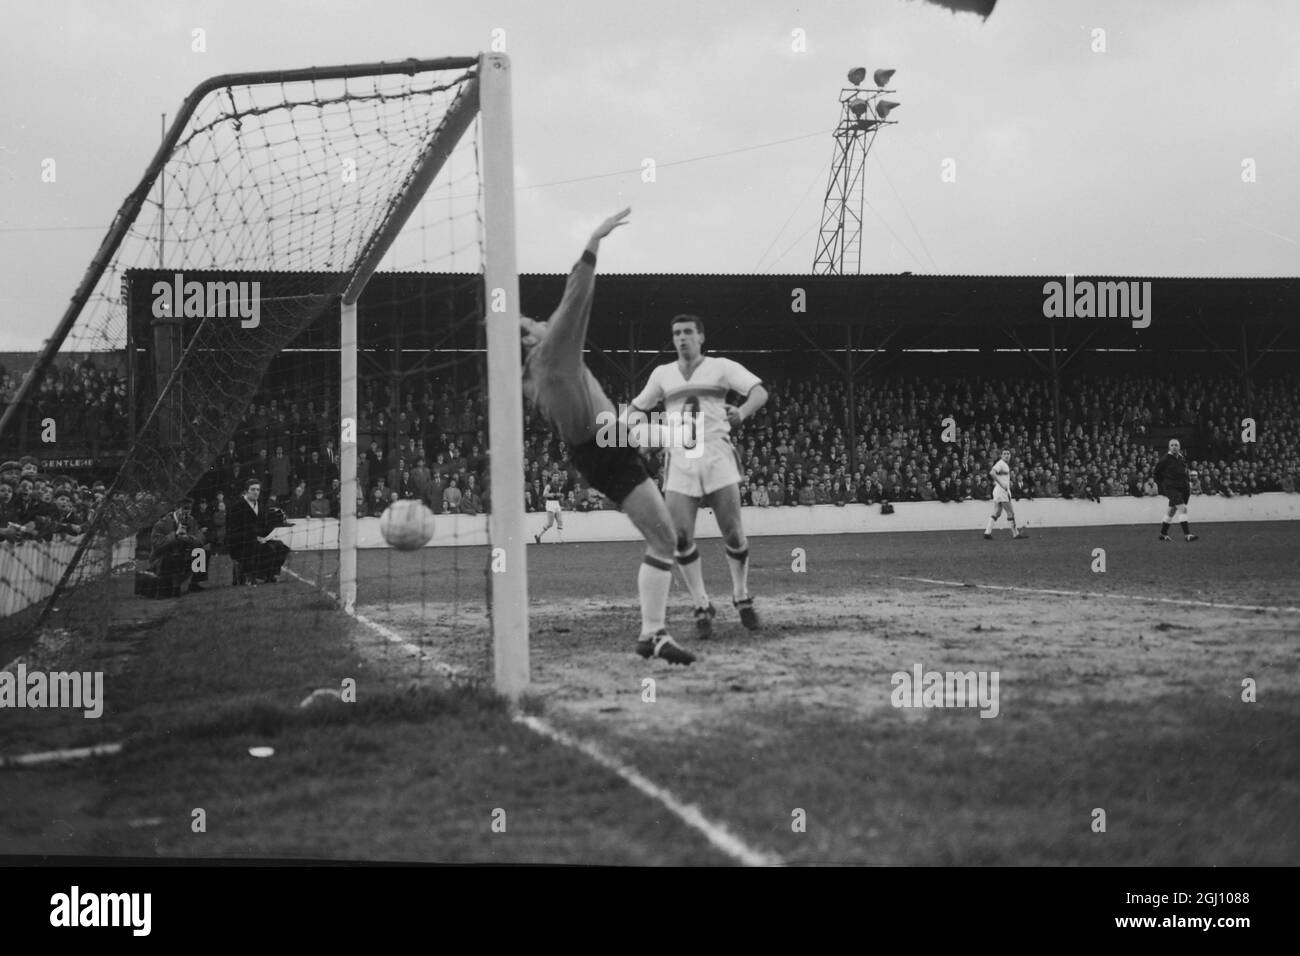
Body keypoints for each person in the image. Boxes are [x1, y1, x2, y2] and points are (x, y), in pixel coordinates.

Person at [520, 207, 693, 664]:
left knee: (667, 531)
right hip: (606, 447)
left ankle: (653, 633)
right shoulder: (553, 353)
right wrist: (593, 242)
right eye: (534, 328)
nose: (542, 323)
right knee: (665, 539)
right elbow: (575, 299)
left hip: (609, 440)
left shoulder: (540, 372)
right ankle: (652, 634)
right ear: (536, 341)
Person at [629, 312, 769, 638]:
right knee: (679, 536)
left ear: (700, 337)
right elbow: (637, 409)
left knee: (733, 532)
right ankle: (701, 603)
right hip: (680, 457)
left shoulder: (721, 367)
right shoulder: (662, 374)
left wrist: (742, 413)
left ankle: (741, 595)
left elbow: (759, 392)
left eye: (688, 332)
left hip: (717, 454)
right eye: (676, 332)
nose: (681, 338)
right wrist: (633, 429)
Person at [226, 477, 291, 583]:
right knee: (267, 549)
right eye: (253, 489)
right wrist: (255, 537)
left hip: (257, 541)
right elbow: (233, 531)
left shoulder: (260, 507)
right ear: (246, 491)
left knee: (282, 547)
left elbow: (263, 529)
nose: (256, 492)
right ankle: (251, 575)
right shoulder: (237, 507)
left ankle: (271, 574)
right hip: (240, 543)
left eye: (258, 490)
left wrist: (276, 524)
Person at [148, 497, 209, 596]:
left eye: (189, 509)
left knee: (202, 552)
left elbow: (201, 539)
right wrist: (175, 535)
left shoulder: (191, 521)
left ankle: (194, 583)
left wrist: (188, 538)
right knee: (174, 556)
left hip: (183, 556)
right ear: (176, 508)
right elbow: (157, 544)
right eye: (185, 508)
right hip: (162, 559)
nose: (187, 512)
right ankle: (175, 587)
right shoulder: (161, 524)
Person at [1153, 438, 1198, 542]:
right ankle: (1187, 535)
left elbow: (1185, 471)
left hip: (1182, 488)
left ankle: (1163, 534)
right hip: (1171, 488)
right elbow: (1156, 474)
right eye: (1172, 445)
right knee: (1183, 509)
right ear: (1169, 447)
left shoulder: (1181, 457)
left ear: (1179, 447)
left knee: (1172, 510)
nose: (1174, 447)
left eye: (1176, 445)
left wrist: (1187, 483)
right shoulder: (1165, 459)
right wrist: (1164, 487)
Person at [983, 449, 1028, 540]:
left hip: (998, 491)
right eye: (1004, 453)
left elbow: (996, 474)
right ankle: (1016, 534)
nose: (1007, 455)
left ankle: (987, 532)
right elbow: (992, 473)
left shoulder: (1003, 464)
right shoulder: (1001, 463)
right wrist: (1001, 484)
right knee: (1010, 512)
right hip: (1002, 491)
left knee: (997, 512)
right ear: (1001, 455)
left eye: (1008, 453)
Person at [534, 475, 565, 543]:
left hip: (556, 503)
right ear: (552, 477)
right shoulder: (549, 485)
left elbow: (557, 494)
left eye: (557, 476)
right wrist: (554, 494)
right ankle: (538, 536)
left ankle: (560, 540)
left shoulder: (558, 485)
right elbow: (544, 494)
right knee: (550, 524)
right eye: (554, 476)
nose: (556, 477)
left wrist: (559, 495)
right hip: (550, 503)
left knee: (560, 521)